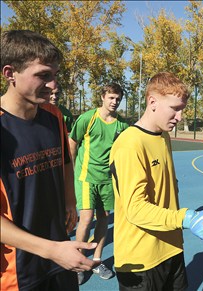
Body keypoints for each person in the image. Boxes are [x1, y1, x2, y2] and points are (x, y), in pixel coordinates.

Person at [109, 72, 203, 290]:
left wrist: (200, 219)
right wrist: (188, 218)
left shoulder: (163, 135)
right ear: (152, 102)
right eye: (175, 108)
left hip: (172, 249)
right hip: (142, 260)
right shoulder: (130, 143)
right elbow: (135, 209)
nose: (180, 116)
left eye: (182, 109)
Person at [1, 29, 96, 291]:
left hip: (60, 254)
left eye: (55, 75)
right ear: (10, 74)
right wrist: (51, 249)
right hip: (19, 271)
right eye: (43, 75)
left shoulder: (53, 117)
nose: (54, 84)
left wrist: (70, 200)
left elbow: (65, 160)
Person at [69, 83, 129, 283]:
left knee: (103, 219)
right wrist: (69, 172)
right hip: (86, 177)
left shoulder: (122, 125)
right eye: (111, 97)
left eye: (118, 99)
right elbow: (73, 143)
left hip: (107, 180)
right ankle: (77, 263)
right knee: (86, 219)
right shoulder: (87, 118)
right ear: (103, 97)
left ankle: (96, 260)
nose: (114, 102)